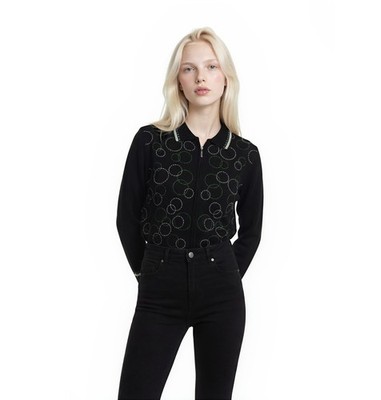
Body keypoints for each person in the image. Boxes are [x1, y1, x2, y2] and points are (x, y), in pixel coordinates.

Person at [116, 27, 264, 400]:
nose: (201, 77)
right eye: (189, 68)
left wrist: (225, 273)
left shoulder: (244, 154)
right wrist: (147, 272)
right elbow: (126, 216)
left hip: (221, 293)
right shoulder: (150, 141)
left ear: (226, 78)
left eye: (211, 66)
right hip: (159, 288)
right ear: (178, 81)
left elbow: (251, 230)